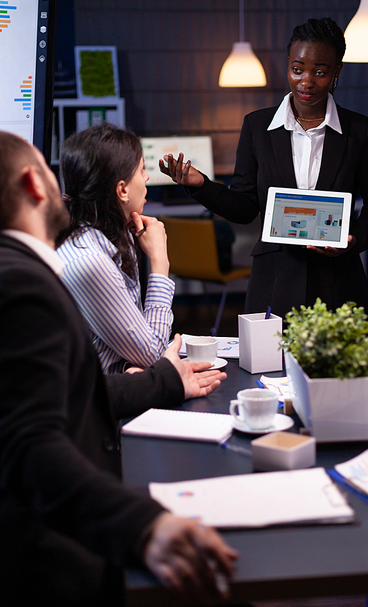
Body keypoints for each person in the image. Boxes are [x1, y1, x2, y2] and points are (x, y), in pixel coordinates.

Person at [0, 131, 237, 606]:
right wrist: (144, 526)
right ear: (33, 183)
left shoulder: (43, 262)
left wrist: (145, 381)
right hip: (50, 559)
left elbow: (68, 393)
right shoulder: (22, 282)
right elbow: (31, 444)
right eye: (50, 172)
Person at [160, 17, 368, 319]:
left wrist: (353, 241)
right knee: (269, 365)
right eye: (297, 69)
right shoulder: (257, 126)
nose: (306, 82)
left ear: (337, 71)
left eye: (320, 72)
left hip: (338, 277)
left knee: (337, 367)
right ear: (288, 64)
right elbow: (245, 207)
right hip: (275, 278)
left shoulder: (358, 129)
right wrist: (199, 184)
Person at [58, 124, 175, 374]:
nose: (146, 178)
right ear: (122, 190)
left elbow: (135, 342)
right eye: (142, 170)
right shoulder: (89, 260)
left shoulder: (110, 232)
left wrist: (129, 367)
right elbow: (153, 353)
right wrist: (159, 261)